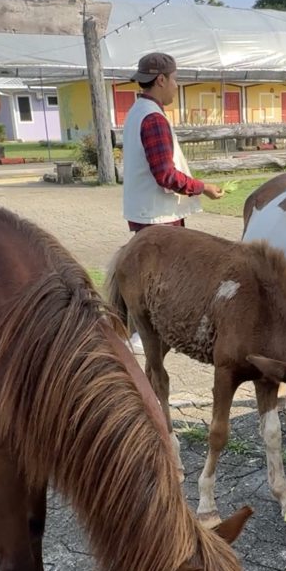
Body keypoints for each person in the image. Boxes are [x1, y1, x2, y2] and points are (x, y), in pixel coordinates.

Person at [122, 52, 224, 352]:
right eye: (175, 79)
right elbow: (165, 174)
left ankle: (142, 330)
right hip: (159, 213)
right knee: (163, 280)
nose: (177, 86)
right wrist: (201, 187)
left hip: (146, 209)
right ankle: (149, 331)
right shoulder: (153, 118)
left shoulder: (137, 111)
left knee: (151, 275)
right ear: (162, 79)